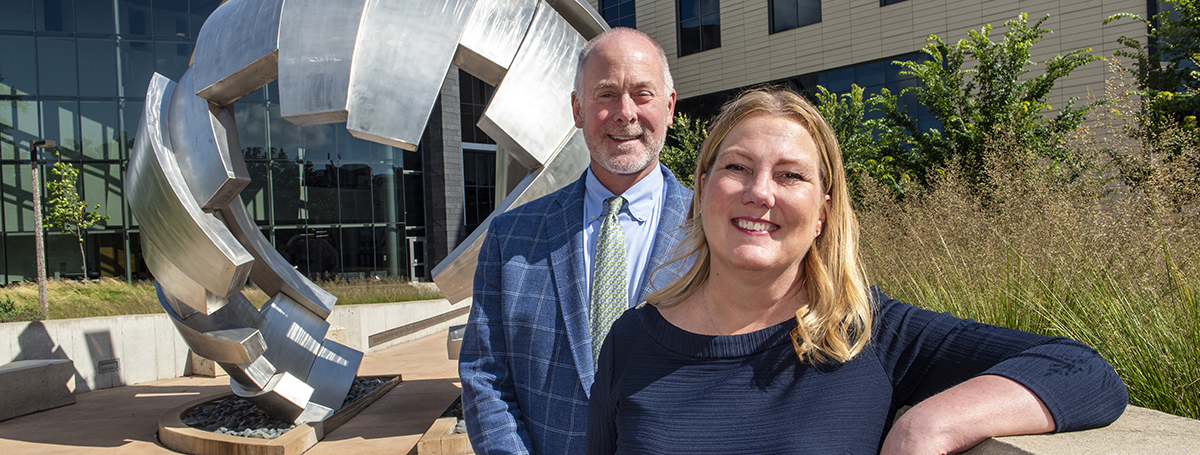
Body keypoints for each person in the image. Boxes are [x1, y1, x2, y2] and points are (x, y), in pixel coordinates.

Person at [587, 88, 1128, 454]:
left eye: (791, 175)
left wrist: (927, 424)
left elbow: (1082, 371)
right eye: (736, 168)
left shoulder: (872, 333)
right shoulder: (632, 341)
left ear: (822, 211)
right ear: (703, 188)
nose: (759, 193)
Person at [458, 28, 691, 454]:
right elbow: (486, 376)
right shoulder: (510, 238)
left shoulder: (712, 233)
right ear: (577, 109)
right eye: (605, 95)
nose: (625, 113)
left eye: (643, 94)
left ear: (670, 106)